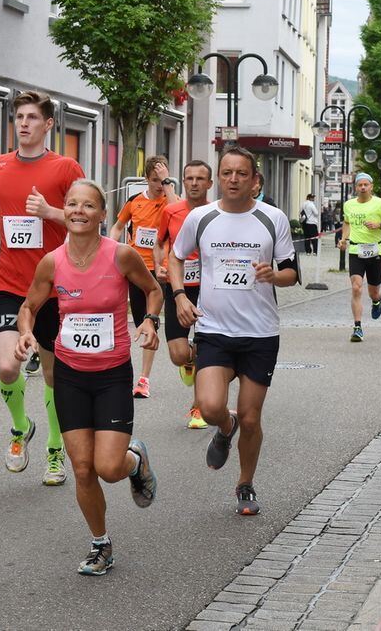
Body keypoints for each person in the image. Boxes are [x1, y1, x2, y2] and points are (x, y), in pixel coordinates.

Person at [14, 179, 161, 576]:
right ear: (64, 211)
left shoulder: (121, 255)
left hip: (112, 374)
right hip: (71, 375)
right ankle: (101, 544)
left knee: (108, 467)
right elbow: (29, 306)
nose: (79, 211)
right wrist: (26, 331)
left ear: (102, 214)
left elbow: (153, 290)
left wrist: (150, 321)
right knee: (82, 468)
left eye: (88, 206)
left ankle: (135, 461)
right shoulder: (52, 261)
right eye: (72, 204)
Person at [169, 146, 298, 516]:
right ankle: (226, 428)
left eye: (242, 173)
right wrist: (179, 295)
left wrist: (275, 275)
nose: (233, 179)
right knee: (210, 407)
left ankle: (245, 484)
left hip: (260, 333)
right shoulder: (201, 218)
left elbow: (291, 273)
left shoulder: (273, 219)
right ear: (219, 178)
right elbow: (175, 257)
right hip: (214, 329)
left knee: (253, 418)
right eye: (227, 173)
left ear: (255, 179)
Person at [0, 90, 84, 486]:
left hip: (56, 287)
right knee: (7, 366)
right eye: (18, 117)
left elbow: (86, 218)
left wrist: (51, 212)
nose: (23, 123)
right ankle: (21, 427)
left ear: (48, 124)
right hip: (9, 282)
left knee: (54, 375)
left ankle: (55, 450)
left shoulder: (65, 167)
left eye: (31, 118)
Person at [109, 155, 178, 398]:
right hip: (136, 270)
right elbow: (118, 226)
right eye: (155, 180)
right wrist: (110, 246)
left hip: (161, 271)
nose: (160, 185)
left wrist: (168, 182)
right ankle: (129, 374)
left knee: (152, 322)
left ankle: (144, 379)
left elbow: (179, 214)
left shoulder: (171, 202)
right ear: (146, 180)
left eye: (163, 180)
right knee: (141, 323)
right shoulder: (134, 201)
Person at [153, 160, 213, 429]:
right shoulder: (171, 211)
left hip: (208, 289)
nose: (194, 183)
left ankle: (197, 407)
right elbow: (158, 243)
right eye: (189, 178)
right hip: (177, 286)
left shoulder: (217, 212)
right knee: (179, 353)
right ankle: (188, 362)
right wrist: (158, 267)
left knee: (205, 347)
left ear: (209, 184)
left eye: (200, 179)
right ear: (184, 182)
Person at [338, 173, 381, 342]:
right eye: (360, 185)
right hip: (356, 251)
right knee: (356, 287)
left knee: (373, 291)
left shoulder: (380, 203)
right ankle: (357, 327)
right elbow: (347, 223)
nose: (363, 187)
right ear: (356, 187)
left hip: (375, 251)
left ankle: (376, 300)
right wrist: (343, 239)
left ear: (371, 186)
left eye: (366, 184)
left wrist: (379, 225)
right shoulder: (349, 205)